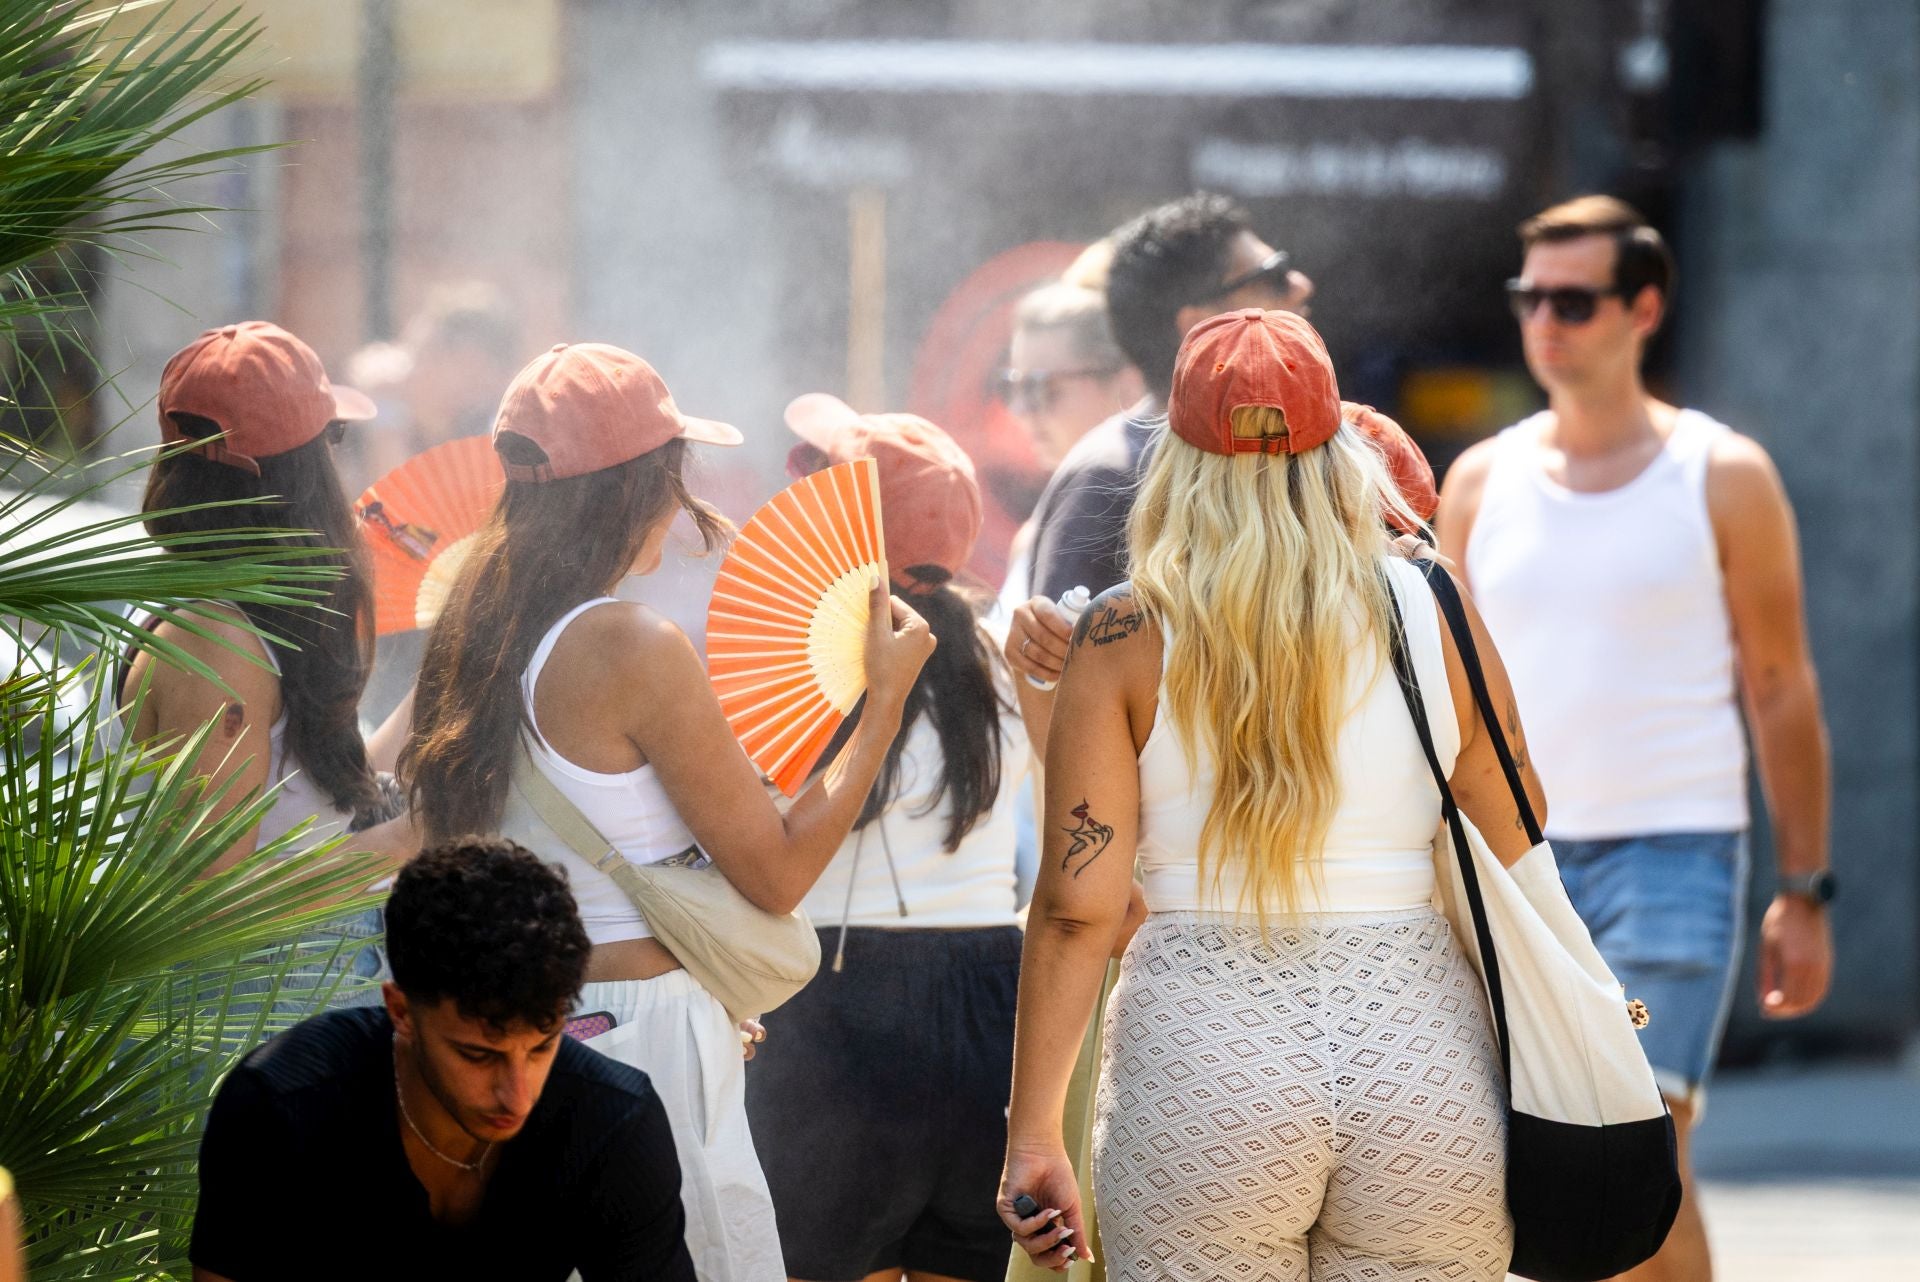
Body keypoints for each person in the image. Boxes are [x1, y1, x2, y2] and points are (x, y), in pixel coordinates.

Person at [998, 308, 1546, 1281]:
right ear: (1341, 452)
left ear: (1177, 459)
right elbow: (1518, 838)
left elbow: (1078, 911)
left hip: (1203, 1057)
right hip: (1419, 1050)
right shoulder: (1438, 608)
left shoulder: (1126, 635)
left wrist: (1036, 1129)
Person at [399, 343, 936, 1282]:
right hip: (639, 1034)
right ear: (642, 486)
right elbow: (774, 872)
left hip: (500, 1037)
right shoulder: (627, 644)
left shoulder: (472, 631)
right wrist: (883, 704)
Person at [1436, 195, 1833, 1282]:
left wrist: (1804, 885)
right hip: (1521, 868)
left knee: (1639, 1150)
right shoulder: (1478, 482)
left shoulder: (1724, 474)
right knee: (1557, 1172)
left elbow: (1780, 685)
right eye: (1530, 297)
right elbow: (1447, 692)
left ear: (1643, 306)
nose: (1545, 321)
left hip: (1674, 861)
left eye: (1573, 299)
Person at [742, 394, 1030, 1282]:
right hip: (992, 999)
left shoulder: (786, 659)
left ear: (840, 525)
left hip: (827, 998)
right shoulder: (1010, 653)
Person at [190, 837, 696, 1281]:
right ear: (401, 1011)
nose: (517, 1094)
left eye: (542, 1046)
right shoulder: (280, 1104)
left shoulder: (614, 1120)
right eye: (478, 1055)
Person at [107, 322, 417, 990]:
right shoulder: (218, 644)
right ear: (300, 479)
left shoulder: (239, 617)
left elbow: (316, 805)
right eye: (333, 441)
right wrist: (401, 842)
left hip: (295, 995)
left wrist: (455, 662)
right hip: (253, 1015)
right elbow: (211, 903)